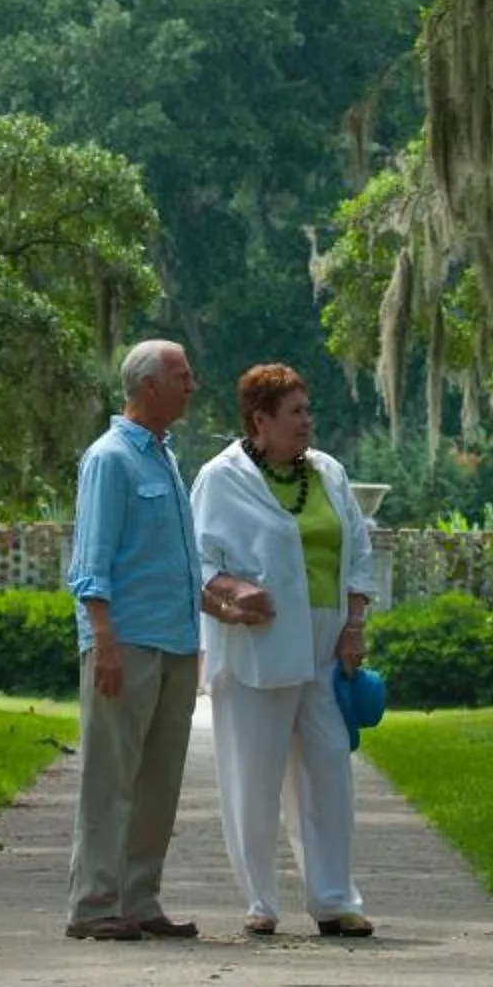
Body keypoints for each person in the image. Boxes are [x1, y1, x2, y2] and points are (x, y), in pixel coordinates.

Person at [189, 363, 381, 937]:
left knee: (328, 772)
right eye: (295, 412)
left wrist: (354, 626)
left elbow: (359, 552)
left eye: (307, 409)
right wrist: (233, 594)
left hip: (323, 647)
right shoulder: (219, 479)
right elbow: (197, 563)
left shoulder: (328, 473)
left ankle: (334, 899)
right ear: (260, 421)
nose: (307, 422)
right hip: (258, 648)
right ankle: (260, 901)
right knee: (254, 774)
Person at [61, 339, 207, 941]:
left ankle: (139, 898)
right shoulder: (111, 458)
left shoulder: (165, 458)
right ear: (149, 385)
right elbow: (90, 561)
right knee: (110, 778)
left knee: (159, 780)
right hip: (126, 640)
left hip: (174, 642)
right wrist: (103, 638)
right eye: (182, 375)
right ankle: (94, 905)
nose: (192, 385)